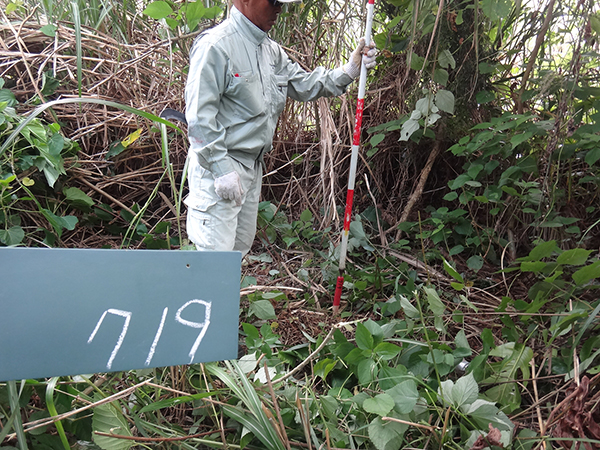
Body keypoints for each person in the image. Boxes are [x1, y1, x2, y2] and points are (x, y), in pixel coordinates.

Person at [184, 0, 376, 256]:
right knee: (213, 261)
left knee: (236, 256)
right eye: (273, 1)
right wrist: (221, 169)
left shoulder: (270, 52)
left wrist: (350, 69)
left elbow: (304, 83)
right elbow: (199, 117)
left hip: (252, 169)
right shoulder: (216, 46)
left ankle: (229, 297)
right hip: (219, 169)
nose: (279, 9)